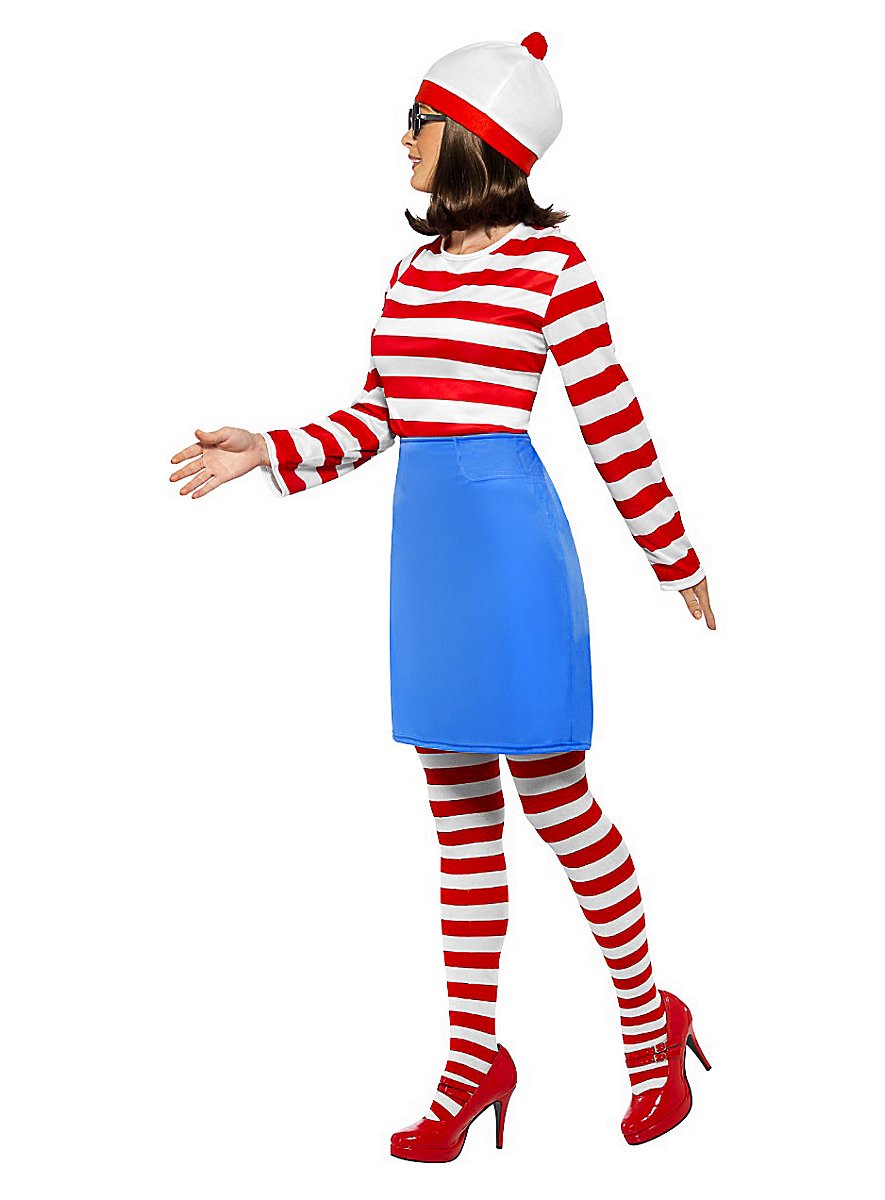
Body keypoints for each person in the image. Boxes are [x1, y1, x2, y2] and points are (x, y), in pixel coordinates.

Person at [169, 32, 716, 1161]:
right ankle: (475, 1061)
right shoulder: (409, 274)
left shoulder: (554, 270)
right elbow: (382, 414)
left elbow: (614, 422)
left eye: (418, 124)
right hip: (428, 565)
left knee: (559, 804)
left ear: (473, 136)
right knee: (459, 821)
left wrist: (676, 557)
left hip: (513, 562)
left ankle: (649, 1026)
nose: (403, 142)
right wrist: (269, 446)